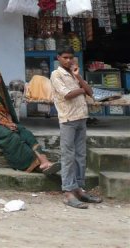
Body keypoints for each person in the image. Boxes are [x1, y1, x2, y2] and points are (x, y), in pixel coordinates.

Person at [0, 69, 60, 174]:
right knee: (12, 136)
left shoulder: (1, 92)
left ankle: (45, 161)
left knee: (25, 133)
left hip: (3, 118)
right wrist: (5, 124)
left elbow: (6, 111)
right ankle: (34, 165)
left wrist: (11, 122)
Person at [50, 47, 103, 209]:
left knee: (81, 155)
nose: (68, 60)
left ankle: (79, 189)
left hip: (81, 117)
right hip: (68, 119)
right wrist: (82, 89)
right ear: (58, 58)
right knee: (68, 155)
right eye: (65, 57)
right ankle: (68, 192)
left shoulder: (74, 73)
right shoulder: (56, 74)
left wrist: (78, 76)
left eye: (71, 57)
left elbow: (90, 92)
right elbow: (67, 94)